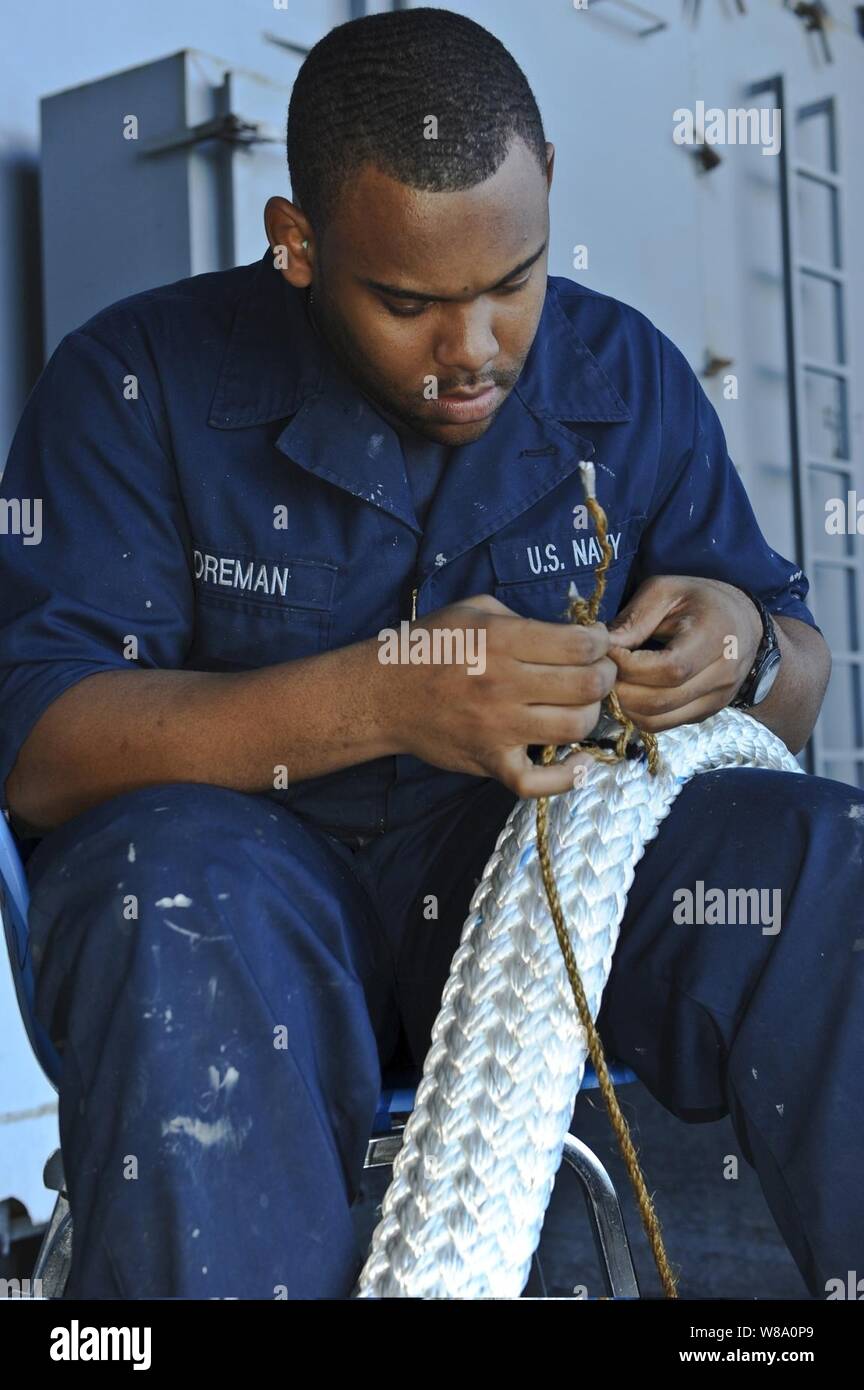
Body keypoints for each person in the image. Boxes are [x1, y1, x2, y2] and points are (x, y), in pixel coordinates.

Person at [0, 7, 859, 1301]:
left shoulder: (625, 374)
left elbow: (795, 684)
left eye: (511, 284)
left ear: (548, 188)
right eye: (408, 302)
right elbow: (46, 745)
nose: (474, 351)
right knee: (170, 879)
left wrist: (739, 651)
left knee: (825, 859)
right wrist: (386, 694)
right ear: (296, 243)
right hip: (249, 924)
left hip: (543, 902)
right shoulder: (135, 381)